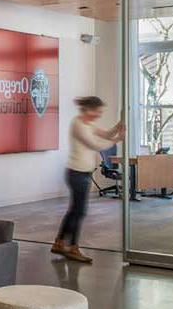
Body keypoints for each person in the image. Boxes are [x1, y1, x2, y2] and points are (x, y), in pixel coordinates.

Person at [53, 96, 125, 264]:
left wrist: (117, 128)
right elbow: (96, 145)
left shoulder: (88, 124)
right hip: (77, 174)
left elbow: (105, 134)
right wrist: (117, 139)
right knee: (79, 211)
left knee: (74, 211)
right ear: (88, 110)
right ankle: (72, 247)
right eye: (97, 112)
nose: (98, 115)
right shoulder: (78, 124)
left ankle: (60, 243)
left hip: (82, 173)